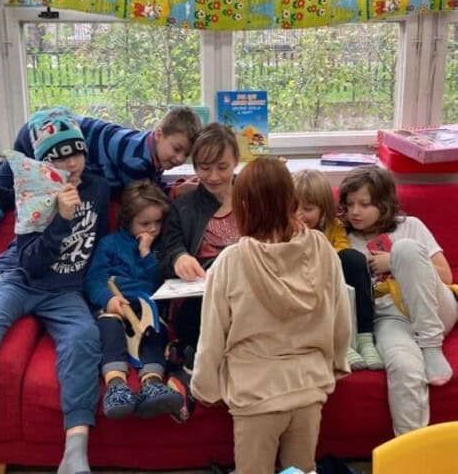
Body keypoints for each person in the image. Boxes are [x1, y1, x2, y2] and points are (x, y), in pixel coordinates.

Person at [191, 158, 351, 474]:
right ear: (291, 199)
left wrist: (205, 388)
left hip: (255, 394)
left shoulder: (231, 261)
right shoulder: (322, 248)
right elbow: (341, 319)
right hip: (309, 385)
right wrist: (335, 365)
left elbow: (211, 336)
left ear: (243, 206)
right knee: (301, 470)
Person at [0, 108, 110, 474]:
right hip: (19, 277)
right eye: (59, 157)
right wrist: (62, 219)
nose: (70, 163)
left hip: (65, 288)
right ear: (44, 164)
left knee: (84, 337)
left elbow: (96, 244)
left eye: (76, 153)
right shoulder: (33, 192)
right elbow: (31, 262)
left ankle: (75, 453)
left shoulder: (98, 188)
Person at [338, 165, 458, 435]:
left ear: (383, 205)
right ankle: (410, 451)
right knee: (404, 367)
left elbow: (445, 275)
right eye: (349, 204)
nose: (355, 211)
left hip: (435, 306)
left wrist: (392, 262)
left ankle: (431, 345)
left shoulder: (410, 226)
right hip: (390, 318)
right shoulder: (343, 240)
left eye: (364, 204)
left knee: (405, 250)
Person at [0, 105, 203, 238]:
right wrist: (173, 193)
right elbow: (142, 196)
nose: (179, 159)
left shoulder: (148, 150)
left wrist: (177, 188)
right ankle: (0, 197)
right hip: (47, 132)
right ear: (158, 134)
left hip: (48, 125)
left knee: (19, 172)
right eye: (177, 149)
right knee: (40, 184)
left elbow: (151, 182)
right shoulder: (136, 160)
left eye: (186, 155)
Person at [159, 122, 241, 420]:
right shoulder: (184, 205)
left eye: (222, 167)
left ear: (236, 161)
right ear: (195, 166)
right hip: (201, 298)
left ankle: (189, 366)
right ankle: (191, 366)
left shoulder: (254, 197)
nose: (214, 176)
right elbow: (167, 250)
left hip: (247, 294)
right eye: (205, 168)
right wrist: (179, 257)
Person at [84, 179, 183, 420]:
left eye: (158, 222)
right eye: (145, 224)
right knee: (109, 329)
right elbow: (94, 279)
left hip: (147, 306)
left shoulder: (160, 247)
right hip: (115, 305)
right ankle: (116, 384)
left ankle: (152, 382)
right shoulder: (109, 244)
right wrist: (108, 300)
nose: (153, 229)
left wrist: (146, 254)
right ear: (127, 221)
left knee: (156, 332)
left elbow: (159, 281)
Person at [293, 169, 383, 371]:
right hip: (305, 290)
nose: (299, 215)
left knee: (353, 259)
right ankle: (340, 342)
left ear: (323, 210)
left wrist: (323, 253)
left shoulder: (333, 226)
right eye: (293, 207)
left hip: (335, 280)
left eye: (308, 209)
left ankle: (365, 339)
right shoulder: (286, 229)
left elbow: (343, 250)